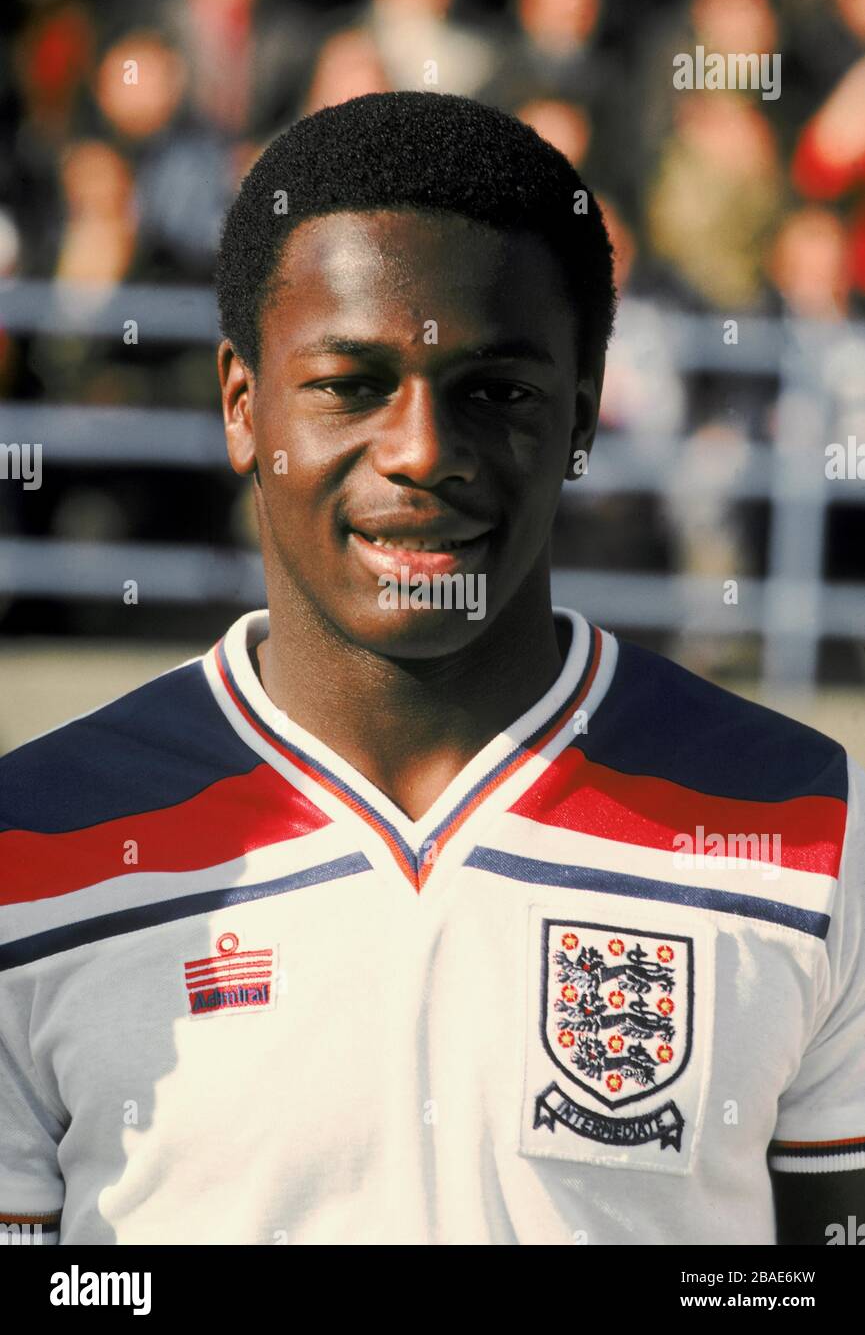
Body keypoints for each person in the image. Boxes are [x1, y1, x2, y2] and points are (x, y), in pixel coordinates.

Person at [0, 91, 862, 1246]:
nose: (421, 452)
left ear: (583, 414)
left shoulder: (804, 829)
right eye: (352, 384)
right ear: (242, 404)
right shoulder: (34, 844)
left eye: (496, 392)